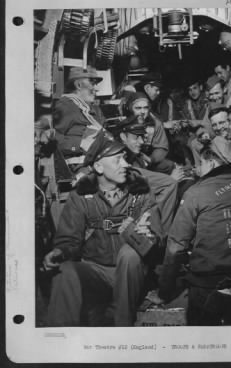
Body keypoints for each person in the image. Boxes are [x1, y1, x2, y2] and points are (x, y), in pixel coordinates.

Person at [43, 132, 164, 327]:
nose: (125, 164)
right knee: (64, 270)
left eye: (124, 158)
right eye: (117, 160)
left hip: (131, 274)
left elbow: (157, 239)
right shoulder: (81, 196)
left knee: (129, 254)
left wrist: (145, 234)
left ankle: (121, 325)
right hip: (96, 270)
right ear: (98, 166)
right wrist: (60, 252)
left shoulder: (140, 191)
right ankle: (61, 337)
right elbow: (70, 240)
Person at [156, 136, 231, 325]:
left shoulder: (196, 193)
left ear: (212, 162)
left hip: (212, 288)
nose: (198, 168)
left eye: (201, 163)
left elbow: (175, 248)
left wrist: (164, 292)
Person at [115, 116, 181, 232]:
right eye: (136, 138)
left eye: (142, 137)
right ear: (123, 137)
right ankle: (161, 233)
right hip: (132, 215)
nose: (141, 142)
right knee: (170, 184)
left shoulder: (136, 155)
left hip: (136, 207)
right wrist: (171, 178)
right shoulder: (122, 160)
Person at [52, 66, 112, 166]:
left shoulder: (94, 109)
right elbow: (50, 138)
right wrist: (80, 143)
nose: (96, 89)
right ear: (78, 85)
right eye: (92, 83)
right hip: (78, 166)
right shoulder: (65, 106)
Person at [125, 92, 174, 175]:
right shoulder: (125, 124)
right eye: (138, 108)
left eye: (145, 108)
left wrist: (151, 159)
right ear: (130, 108)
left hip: (149, 159)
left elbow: (161, 147)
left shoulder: (155, 123)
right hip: (130, 159)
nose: (142, 112)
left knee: (169, 165)